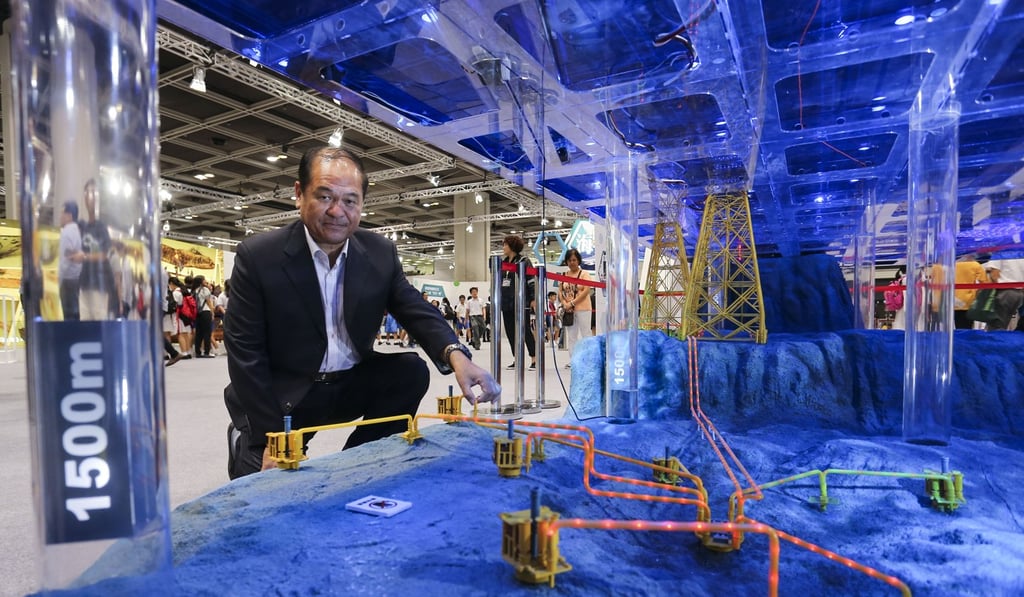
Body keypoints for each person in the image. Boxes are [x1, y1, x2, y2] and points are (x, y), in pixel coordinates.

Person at [223, 146, 500, 479]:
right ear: (299, 194)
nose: (337, 211)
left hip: (348, 382)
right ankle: (245, 442)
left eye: (350, 201)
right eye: (325, 197)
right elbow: (245, 353)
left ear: (362, 205)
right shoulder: (258, 256)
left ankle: (355, 466)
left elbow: (413, 308)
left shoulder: (379, 252)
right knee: (258, 491)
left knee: (410, 371)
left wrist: (457, 355)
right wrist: (271, 435)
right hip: (285, 395)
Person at [76, 179, 116, 320]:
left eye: (93, 192)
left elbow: (105, 254)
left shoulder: (101, 226)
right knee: (85, 322)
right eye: (87, 192)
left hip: (100, 284)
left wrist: (84, 257)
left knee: (99, 321)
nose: (89, 196)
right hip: (84, 283)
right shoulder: (84, 227)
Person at [499, 235, 537, 369]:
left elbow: (531, 280)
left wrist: (533, 298)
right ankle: (517, 359)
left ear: (512, 246)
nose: (503, 247)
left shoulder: (524, 261)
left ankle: (534, 359)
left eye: (505, 244)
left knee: (525, 330)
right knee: (510, 332)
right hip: (506, 302)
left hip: (521, 301)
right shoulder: (503, 263)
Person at [558, 248, 593, 365]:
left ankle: (588, 359)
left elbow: (586, 291)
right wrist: (564, 303)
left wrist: (572, 303)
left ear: (578, 261)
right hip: (569, 311)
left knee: (586, 334)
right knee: (571, 336)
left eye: (574, 260)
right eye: (569, 260)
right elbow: (560, 291)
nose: (572, 262)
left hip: (583, 308)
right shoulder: (563, 275)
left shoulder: (584, 274)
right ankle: (573, 360)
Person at [58, 200, 83, 321]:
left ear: (69, 215)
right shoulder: (77, 231)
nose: (60, 217)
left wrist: (59, 281)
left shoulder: (66, 232)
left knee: (68, 316)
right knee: (75, 313)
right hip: (76, 280)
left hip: (67, 282)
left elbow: (65, 261)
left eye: (63, 213)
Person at [984, 261, 1024, 331]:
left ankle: (994, 341)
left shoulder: (999, 253)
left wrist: (992, 292)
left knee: (996, 325)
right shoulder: (1020, 253)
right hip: (1020, 293)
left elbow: (994, 275)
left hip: (1004, 292)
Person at [953, 258, 986, 329]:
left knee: (958, 325)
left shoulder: (953, 265)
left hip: (955, 300)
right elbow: (984, 283)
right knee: (967, 326)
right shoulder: (975, 265)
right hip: (969, 301)